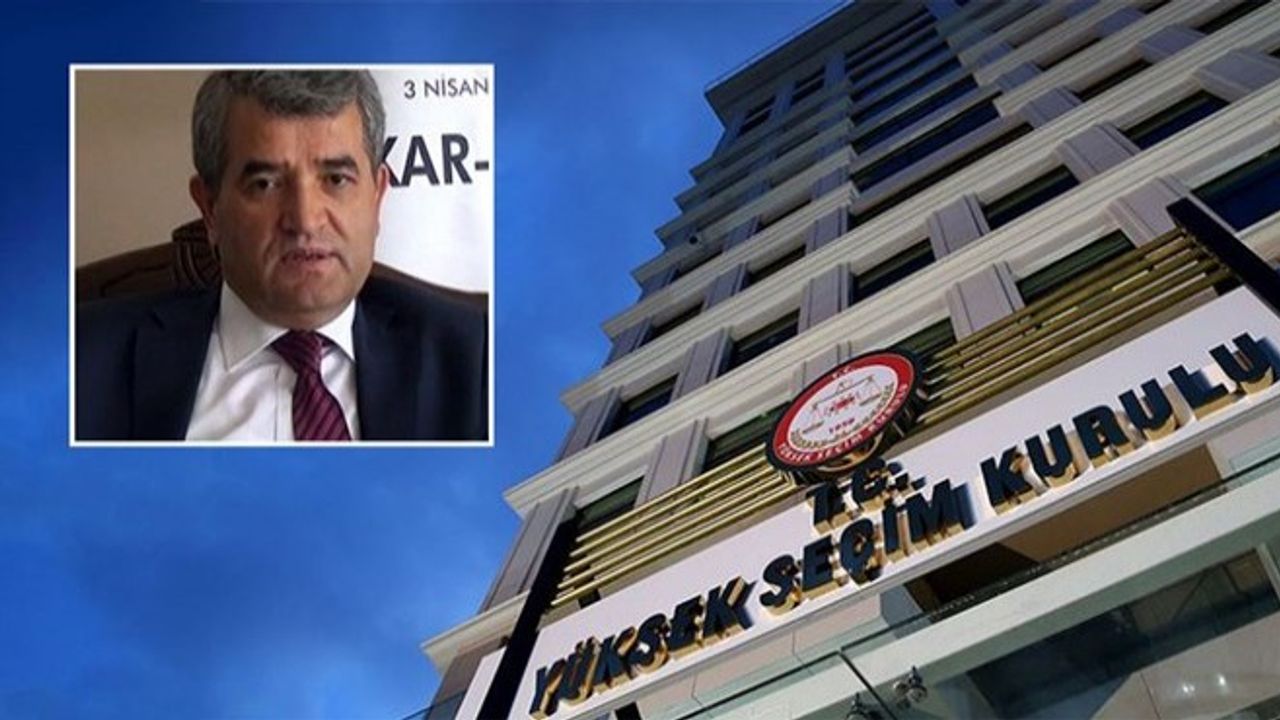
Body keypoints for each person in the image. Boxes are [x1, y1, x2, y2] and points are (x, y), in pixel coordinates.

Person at [76, 70, 487, 442]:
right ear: (210, 208)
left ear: (377, 197)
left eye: (336, 179)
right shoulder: (82, 359)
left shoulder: (476, 358)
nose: (305, 220)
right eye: (265, 184)